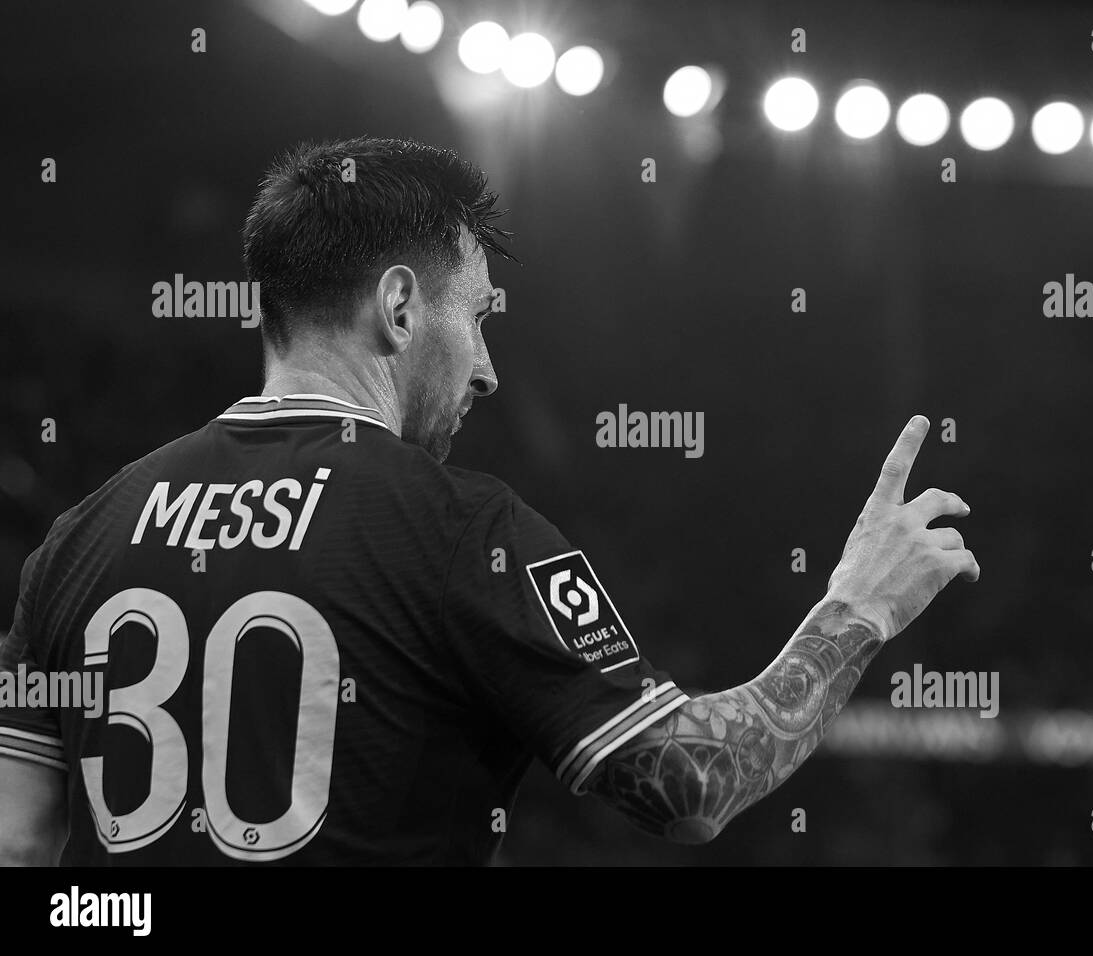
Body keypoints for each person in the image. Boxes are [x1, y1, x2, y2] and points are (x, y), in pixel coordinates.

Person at [0, 136, 978, 865]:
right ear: (397, 306)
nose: (488, 371)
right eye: (475, 319)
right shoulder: (464, 531)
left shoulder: (80, 537)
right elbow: (689, 782)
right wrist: (857, 608)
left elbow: (17, 835)